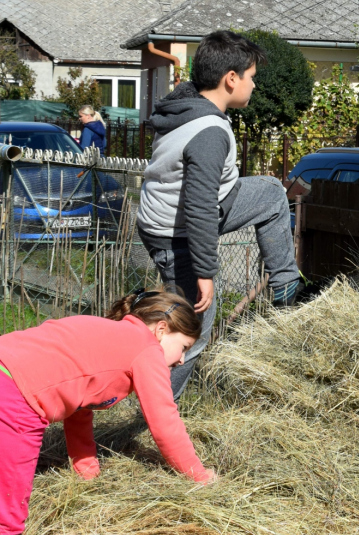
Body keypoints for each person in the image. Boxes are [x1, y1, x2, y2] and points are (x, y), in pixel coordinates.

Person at [137, 30, 302, 400]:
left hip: (172, 217)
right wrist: (206, 273)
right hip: (177, 232)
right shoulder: (209, 132)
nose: (254, 85)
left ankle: (287, 287)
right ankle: (158, 416)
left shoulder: (187, 106)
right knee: (191, 332)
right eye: (252, 77)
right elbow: (197, 207)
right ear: (231, 78)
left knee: (272, 192)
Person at [0, 288, 216, 535]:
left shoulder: (109, 334)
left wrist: (87, 471)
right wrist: (199, 475)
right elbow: (164, 422)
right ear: (161, 329)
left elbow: (78, 408)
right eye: (184, 346)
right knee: (8, 518)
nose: (181, 359)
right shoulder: (146, 349)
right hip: (16, 394)